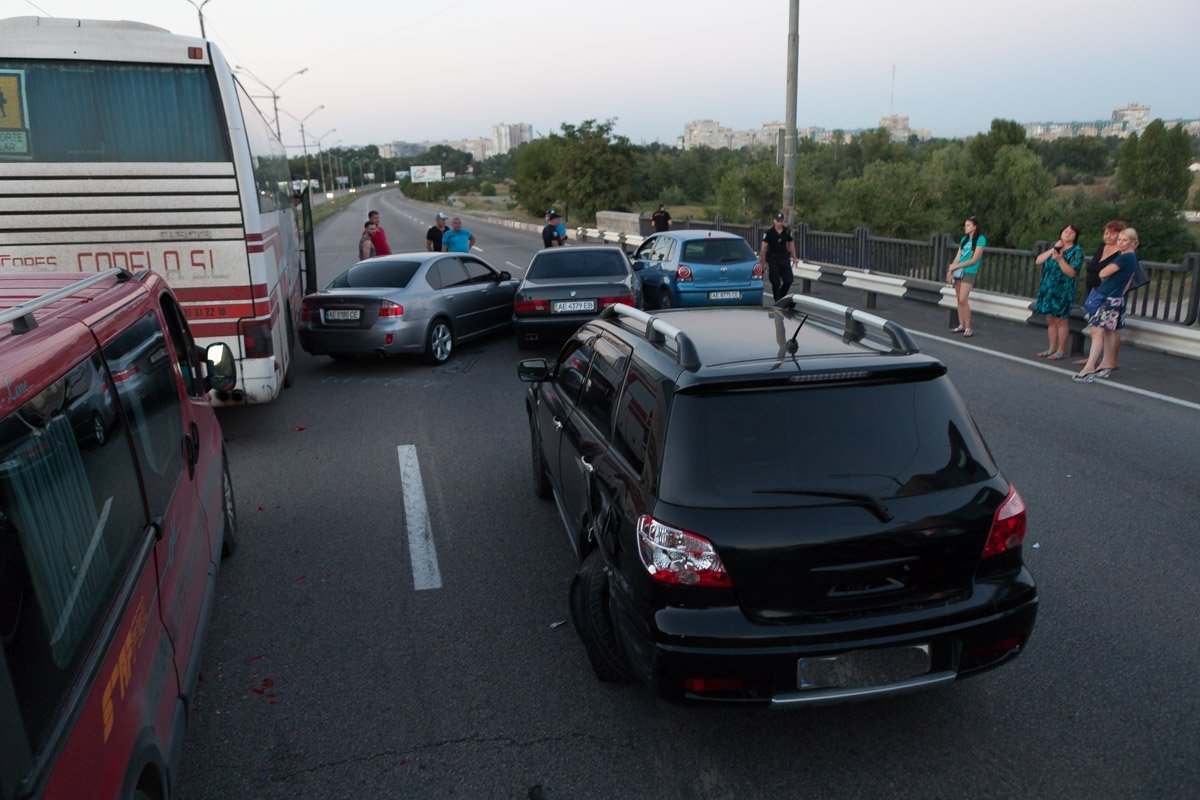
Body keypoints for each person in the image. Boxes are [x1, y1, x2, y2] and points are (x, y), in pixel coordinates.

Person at [1074, 227, 1139, 383]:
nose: (1121, 243)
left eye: (1124, 240)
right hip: (1116, 297)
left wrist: (1104, 273)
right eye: (1120, 240)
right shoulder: (1132, 258)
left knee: (1097, 331)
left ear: (1133, 242)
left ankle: (1090, 366)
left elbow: (1103, 273)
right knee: (1108, 331)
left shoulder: (1124, 258)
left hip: (1108, 297)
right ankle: (1105, 364)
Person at [1074, 219, 1124, 367]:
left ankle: (1111, 360)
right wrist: (1100, 270)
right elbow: (1091, 268)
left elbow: (1104, 270)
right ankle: (1094, 357)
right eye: (1106, 233)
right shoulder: (1102, 248)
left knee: (1110, 328)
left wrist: (1099, 270)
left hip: (1110, 294)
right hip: (1095, 291)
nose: (1108, 236)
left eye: (1112, 234)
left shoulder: (1121, 254)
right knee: (1095, 326)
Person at [1032, 223, 1084, 360]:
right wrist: (1054, 249)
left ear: (1075, 237)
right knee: (1050, 319)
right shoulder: (1056, 248)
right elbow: (1038, 260)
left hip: (1063, 290)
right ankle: (1051, 348)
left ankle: (1061, 350)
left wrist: (1060, 259)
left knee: (1061, 320)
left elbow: (1072, 272)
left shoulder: (1076, 251)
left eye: (1071, 232)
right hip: (1049, 287)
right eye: (1066, 231)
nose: (1068, 234)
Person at [946, 215, 985, 337]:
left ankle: (969, 327)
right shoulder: (964, 239)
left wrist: (956, 267)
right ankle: (961, 325)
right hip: (958, 271)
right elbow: (958, 256)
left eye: (968, 225)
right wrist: (950, 270)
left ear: (975, 227)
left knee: (963, 299)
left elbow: (974, 259)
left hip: (969, 271)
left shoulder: (980, 239)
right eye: (965, 225)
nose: (965, 227)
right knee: (958, 299)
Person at [759, 212, 797, 301]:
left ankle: (780, 296)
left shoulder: (787, 231)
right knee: (775, 282)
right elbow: (763, 248)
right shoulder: (769, 233)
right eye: (778, 221)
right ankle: (777, 301)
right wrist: (763, 262)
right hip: (773, 259)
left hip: (784, 258)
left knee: (789, 280)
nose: (780, 223)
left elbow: (791, 244)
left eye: (781, 221)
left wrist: (794, 257)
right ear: (774, 221)